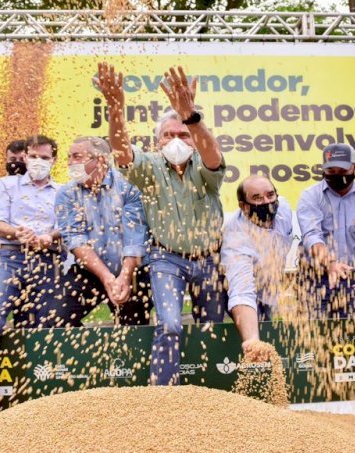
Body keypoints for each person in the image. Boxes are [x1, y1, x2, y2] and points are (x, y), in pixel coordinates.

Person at [95, 62, 227, 385]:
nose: (177, 140)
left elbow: (214, 158)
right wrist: (115, 109)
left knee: (212, 325)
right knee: (168, 324)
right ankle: (165, 396)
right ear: (157, 142)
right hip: (166, 258)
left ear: (194, 139)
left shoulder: (204, 164)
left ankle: (213, 396)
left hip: (209, 259)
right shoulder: (150, 169)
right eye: (169, 135)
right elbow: (123, 154)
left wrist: (192, 117)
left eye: (183, 134)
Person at [0, 134, 63, 423]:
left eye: (45, 158)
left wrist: (48, 237)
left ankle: (36, 408)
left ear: (54, 160)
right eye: (33, 156)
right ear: (25, 157)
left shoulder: (63, 191)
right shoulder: (6, 185)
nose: (38, 162)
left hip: (47, 260)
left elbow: (64, 228)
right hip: (7, 257)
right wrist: (18, 232)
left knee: (39, 328)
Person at [56, 136, 152, 327]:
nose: (70, 163)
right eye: (69, 157)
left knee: (133, 330)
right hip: (89, 270)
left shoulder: (128, 186)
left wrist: (124, 277)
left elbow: (135, 237)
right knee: (54, 317)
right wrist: (107, 278)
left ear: (100, 160)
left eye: (77, 157)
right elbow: (75, 240)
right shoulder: (66, 193)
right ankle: (85, 355)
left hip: (132, 270)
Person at [296, 143, 355, 318]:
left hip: (353, 276)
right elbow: (312, 235)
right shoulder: (311, 196)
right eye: (331, 171)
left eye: (342, 171)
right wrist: (330, 264)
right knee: (312, 334)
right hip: (315, 277)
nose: (337, 176)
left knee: (350, 335)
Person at [221, 175, 292, 351]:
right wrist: (251, 339)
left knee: (268, 330)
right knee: (251, 339)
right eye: (257, 198)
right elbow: (241, 290)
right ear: (243, 206)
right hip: (240, 288)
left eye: (270, 195)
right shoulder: (236, 237)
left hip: (270, 287)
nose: (266, 201)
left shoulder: (284, 209)